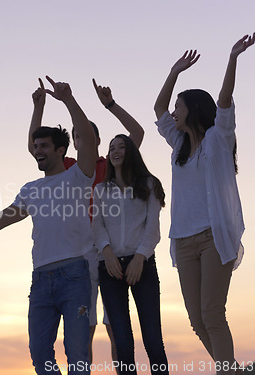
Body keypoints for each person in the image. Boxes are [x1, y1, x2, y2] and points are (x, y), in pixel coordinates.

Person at [0, 76, 97, 375]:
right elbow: (0, 219)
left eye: (45, 145)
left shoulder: (78, 177)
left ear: (61, 150)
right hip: (41, 278)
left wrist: (68, 100)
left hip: (76, 275)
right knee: (40, 354)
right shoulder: (31, 189)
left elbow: (89, 139)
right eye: (36, 146)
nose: (38, 150)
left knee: (78, 355)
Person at [153, 34, 253, 375]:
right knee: (197, 320)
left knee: (212, 312)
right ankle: (234, 370)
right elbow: (158, 110)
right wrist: (173, 72)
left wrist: (233, 58)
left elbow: (224, 101)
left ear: (193, 110)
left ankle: (227, 372)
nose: (173, 112)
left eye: (180, 106)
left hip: (213, 236)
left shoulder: (218, 138)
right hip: (182, 239)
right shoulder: (178, 143)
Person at [28, 77, 145, 368]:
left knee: (115, 326)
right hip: (81, 255)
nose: (80, 142)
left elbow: (137, 132)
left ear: (95, 142)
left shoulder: (109, 167)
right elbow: (36, 147)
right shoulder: (67, 168)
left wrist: (110, 105)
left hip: (113, 251)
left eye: (86, 138)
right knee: (84, 329)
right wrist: (39, 107)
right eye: (76, 139)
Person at [92, 134, 168, 375]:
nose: (115, 151)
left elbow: (152, 227)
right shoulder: (102, 190)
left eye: (121, 147)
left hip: (142, 266)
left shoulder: (148, 184)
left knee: (153, 340)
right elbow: (97, 225)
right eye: (111, 148)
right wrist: (107, 252)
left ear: (131, 152)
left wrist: (140, 257)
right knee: (122, 343)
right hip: (109, 268)